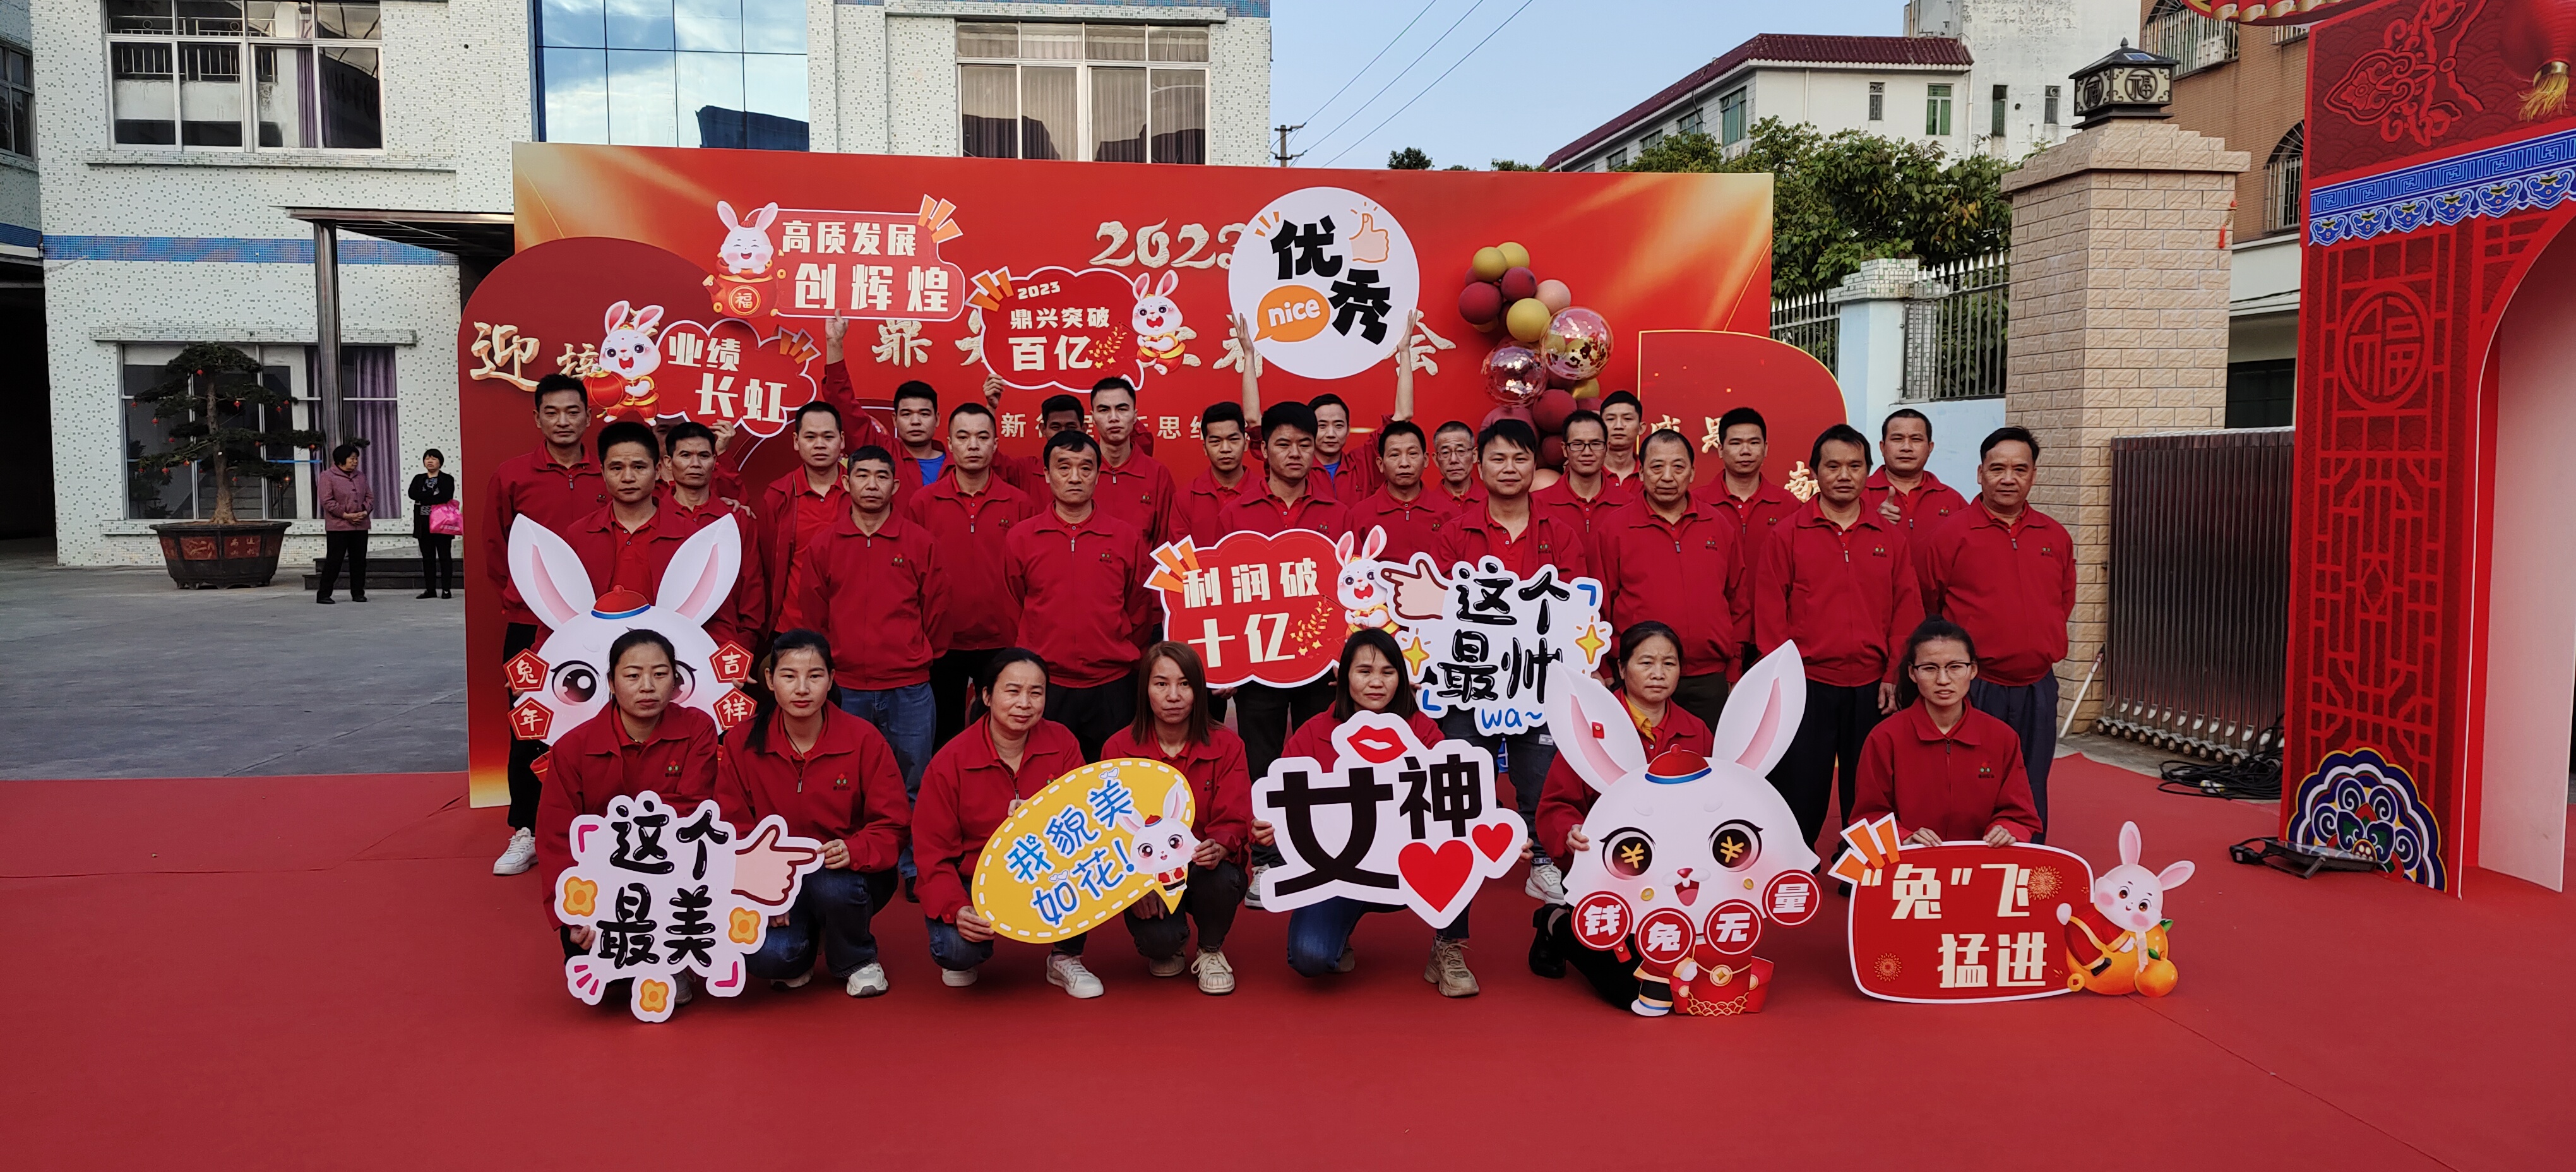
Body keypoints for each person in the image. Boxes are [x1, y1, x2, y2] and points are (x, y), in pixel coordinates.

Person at [1252, 629, 1481, 996]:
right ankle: (1340, 932)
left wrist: (1495, 828)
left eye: (1388, 672)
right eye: (1364, 671)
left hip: (1410, 866)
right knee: (1310, 957)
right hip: (1338, 870)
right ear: (1344, 677)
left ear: (1401, 679)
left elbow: (1461, 799)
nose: (1376, 682)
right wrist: (1268, 827)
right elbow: (1279, 799)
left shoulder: (1422, 731)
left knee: (1465, 843)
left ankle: (1448, 945)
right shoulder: (1314, 733)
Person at [1425, 417, 1591, 905]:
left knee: (1539, 774)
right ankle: (1461, 853)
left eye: (1520, 458)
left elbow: (1577, 610)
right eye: (1498, 458)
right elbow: (1439, 608)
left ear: (1535, 465)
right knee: (1461, 770)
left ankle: (1542, 861)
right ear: (1480, 466)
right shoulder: (1455, 534)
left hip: (1538, 681)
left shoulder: (1561, 534)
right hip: (1470, 680)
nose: (1510, 468)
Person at [1753, 424, 1922, 857]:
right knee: (1800, 783)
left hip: (1873, 687)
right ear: (1815, 472)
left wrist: (1894, 675)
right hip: (1808, 684)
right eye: (1833, 466)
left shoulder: (1889, 539)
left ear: (1868, 471)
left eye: (1854, 466)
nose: (1844, 475)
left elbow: (1906, 612)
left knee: (1869, 786)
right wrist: (1786, 681)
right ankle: (1795, 863)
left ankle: (1862, 867)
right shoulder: (1788, 535)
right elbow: (1770, 616)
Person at [717, 630, 912, 998]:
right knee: (768, 960)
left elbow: (894, 822)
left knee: (832, 886)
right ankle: (808, 941)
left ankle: (857, 958)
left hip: (846, 872)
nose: (802, 688)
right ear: (770, 680)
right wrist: (761, 891)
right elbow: (731, 826)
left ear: (832, 679)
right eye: (789, 676)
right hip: (776, 879)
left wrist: (855, 849)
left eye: (815, 676)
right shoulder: (742, 742)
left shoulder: (863, 739)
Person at [1529, 622, 1715, 993]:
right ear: (1621, 668)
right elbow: (1558, 804)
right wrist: (1570, 833)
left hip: (1676, 876)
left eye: (1669, 663)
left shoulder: (1697, 731)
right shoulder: (1591, 727)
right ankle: (1554, 921)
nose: (1659, 674)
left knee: (1703, 977)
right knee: (1631, 988)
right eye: (1646, 662)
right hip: (1608, 872)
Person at [537, 630, 720, 1005]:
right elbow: (557, 836)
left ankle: (673, 961)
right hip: (603, 879)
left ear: (676, 680)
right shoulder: (573, 748)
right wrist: (573, 911)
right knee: (596, 963)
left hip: (675, 871)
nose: (647, 686)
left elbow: (694, 809)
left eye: (660, 674)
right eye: (633, 675)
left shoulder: (697, 729)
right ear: (610, 682)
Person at [912, 649, 1101, 996]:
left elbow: (1090, 823)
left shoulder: (1062, 743)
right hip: (976, 878)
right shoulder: (951, 761)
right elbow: (932, 853)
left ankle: (1066, 956)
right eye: (1012, 691)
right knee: (957, 951)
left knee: (1091, 862)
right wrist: (956, 907)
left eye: (1036, 693)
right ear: (986, 696)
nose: (1024, 704)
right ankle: (965, 950)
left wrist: (1044, 820)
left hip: (1048, 867)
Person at [1920, 426, 2075, 840]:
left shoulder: (2054, 536)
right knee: (1969, 784)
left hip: (2037, 687)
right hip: (1976, 686)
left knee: (2030, 782)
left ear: (2033, 475)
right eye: (1998, 469)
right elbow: (1931, 605)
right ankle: (1965, 863)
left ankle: (2027, 862)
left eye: (2020, 469)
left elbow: (2062, 601)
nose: (2009, 479)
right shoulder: (1950, 535)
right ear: (1980, 473)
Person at [804, 444, 946, 881]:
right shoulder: (825, 544)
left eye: (881, 477)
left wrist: (913, 655)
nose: (871, 485)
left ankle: (913, 866)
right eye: (862, 476)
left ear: (895, 486)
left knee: (914, 779)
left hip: (909, 686)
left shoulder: (920, 543)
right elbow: (814, 616)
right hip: (847, 687)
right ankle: (853, 858)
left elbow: (937, 614)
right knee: (847, 780)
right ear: (846, 483)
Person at [486, 373, 607, 877]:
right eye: (552, 412)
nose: (563, 421)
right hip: (531, 624)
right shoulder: (513, 476)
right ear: (536, 418)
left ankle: (601, 828)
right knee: (530, 724)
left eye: (573, 411)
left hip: (601, 628)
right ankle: (527, 828)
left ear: (588, 416)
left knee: (605, 722)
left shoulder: (610, 472)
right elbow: (497, 552)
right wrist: (525, 602)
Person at [1096, 642, 1252, 995]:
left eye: (1185, 684)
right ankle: (1172, 940)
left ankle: (1211, 950)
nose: (1173, 696)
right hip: (1149, 874)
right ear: (1145, 690)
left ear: (1199, 690)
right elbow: (1109, 831)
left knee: (1221, 878)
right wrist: (1134, 887)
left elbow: (1237, 815)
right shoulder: (1117, 750)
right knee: (1160, 946)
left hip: (1204, 869)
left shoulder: (1227, 745)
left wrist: (1221, 846)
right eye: (1161, 684)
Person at [1218, 401, 1355, 780]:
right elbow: (1221, 593)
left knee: (1326, 761)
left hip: (1322, 665)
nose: (1295, 454)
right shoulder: (1235, 514)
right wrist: (1227, 663)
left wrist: (1344, 656)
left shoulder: (1338, 514)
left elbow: (1352, 590)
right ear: (1263, 449)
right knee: (1260, 763)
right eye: (1283, 444)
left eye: (1304, 444)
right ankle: (1262, 823)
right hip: (1258, 664)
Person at [1004, 430, 1155, 760]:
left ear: (1098, 475)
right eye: (1064, 468)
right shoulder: (1022, 538)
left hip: (1112, 685)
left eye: (1086, 468)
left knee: (1115, 777)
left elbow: (1139, 609)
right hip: (1047, 684)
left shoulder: (1124, 537)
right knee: (1049, 776)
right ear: (1047, 474)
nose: (1075, 477)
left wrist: (1116, 647)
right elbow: (1013, 606)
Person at [905, 402, 1041, 765]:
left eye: (982, 437)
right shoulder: (923, 502)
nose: (973, 445)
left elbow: (1031, 577)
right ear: (949, 443)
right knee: (943, 738)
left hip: (1002, 642)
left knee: (1004, 736)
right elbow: (911, 577)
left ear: (996, 443)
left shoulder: (1019, 503)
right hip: (941, 643)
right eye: (963, 437)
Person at [1591, 429, 1749, 732]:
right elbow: (1599, 606)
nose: (1667, 477)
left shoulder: (1718, 525)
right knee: (1640, 760)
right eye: (1656, 467)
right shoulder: (1615, 529)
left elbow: (1737, 601)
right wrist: (1606, 665)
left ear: (1692, 472)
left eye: (1678, 467)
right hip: (1640, 676)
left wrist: (1734, 667)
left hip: (1708, 677)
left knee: (1706, 758)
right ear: (1641, 472)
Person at [1854, 618, 2042, 849]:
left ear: (1973, 670)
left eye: (1955, 667)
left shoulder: (2002, 737)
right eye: (1929, 668)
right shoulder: (1885, 738)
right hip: (1910, 863)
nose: (1943, 680)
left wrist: (2006, 829)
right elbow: (1868, 817)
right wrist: (1905, 838)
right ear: (1912, 673)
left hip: (1982, 860)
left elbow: (2020, 814)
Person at [658, 421, 764, 649]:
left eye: (704, 456)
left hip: (725, 643)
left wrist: (745, 642)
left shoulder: (736, 519)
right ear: (668, 462)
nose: (695, 464)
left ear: (715, 461)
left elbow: (752, 588)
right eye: (685, 455)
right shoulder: (653, 516)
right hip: (660, 643)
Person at [756, 401, 849, 639]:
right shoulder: (778, 496)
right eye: (810, 437)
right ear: (796, 441)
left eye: (828, 437)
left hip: (851, 627)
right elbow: (766, 565)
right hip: (791, 627)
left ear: (842, 440)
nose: (820, 444)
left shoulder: (861, 492)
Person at [568, 422, 689, 598]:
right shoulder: (578, 535)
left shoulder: (688, 535)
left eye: (639, 467)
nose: (628, 478)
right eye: (617, 468)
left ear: (657, 471)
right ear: (603, 472)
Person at [1693, 407, 1802, 587]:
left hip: (1773, 604)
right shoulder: (1696, 503)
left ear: (1765, 448)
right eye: (1736, 443)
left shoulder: (1788, 504)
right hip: (1716, 605)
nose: (1745, 451)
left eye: (1754, 443)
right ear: (1720, 449)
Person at [1088, 376, 1186, 549]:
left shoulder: (1157, 474)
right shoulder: (1081, 471)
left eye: (1122, 409)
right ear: (1093, 417)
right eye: (1104, 410)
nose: (1113, 418)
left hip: (1144, 568)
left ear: (1134, 416)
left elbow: (1166, 543)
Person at [1351, 419, 1453, 567]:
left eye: (1412, 454)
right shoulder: (1359, 515)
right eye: (1395, 455)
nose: (1404, 463)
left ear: (1425, 460)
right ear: (1381, 464)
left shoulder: (1449, 513)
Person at [1865, 409, 1968, 556]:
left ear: (1930, 448)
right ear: (1883, 447)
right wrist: (1873, 523)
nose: (1906, 447)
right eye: (1897, 439)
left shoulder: (1952, 500)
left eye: (1916, 440)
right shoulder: (1859, 496)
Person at [1530, 409, 1637, 539]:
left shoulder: (1629, 505)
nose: (1587, 452)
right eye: (1578, 444)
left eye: (1595, 444)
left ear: (1607, 448)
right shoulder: (1537, 504)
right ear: (1565, 449)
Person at [1179, 401, 1254, 544]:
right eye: (1215, 441)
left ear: (1246, 443)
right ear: (1205, 448)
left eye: (1233, 440)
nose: (1225, 449)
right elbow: (1178, 554)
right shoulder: (1185, 499)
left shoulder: (1266, 494)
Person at [316, 441, 373, 604]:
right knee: (334, 561)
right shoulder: (327, 476)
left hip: (360, 525)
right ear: (341, 460)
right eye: (352, 458)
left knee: (359, 561)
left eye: (356, 459)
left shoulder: (360, 476)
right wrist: (346, 515)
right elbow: (327, 501)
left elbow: (370, 497)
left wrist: (364, 511)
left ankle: (358, 593)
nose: (355, 462)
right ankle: (324, 594)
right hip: (338, 527)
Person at [407, 448, 455, 600]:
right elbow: (412, 494)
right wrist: (432, 495)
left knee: (445, 557)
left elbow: (445, 496)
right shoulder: (418, 479)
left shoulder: (447, 479)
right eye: (427, 458)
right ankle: (430, 590)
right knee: (428, 558)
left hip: (442, 523)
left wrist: (424, 498)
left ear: (440, 462)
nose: (430, 461)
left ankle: (446, 589)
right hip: (423, 524)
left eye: (434, 459)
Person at [1429, 421, 1484, 510]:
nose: (1453, 460)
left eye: (1461, 451)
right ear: (1436, 460)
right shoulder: (1427, 506)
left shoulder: (1491, 502)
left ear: (1474, 455)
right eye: (1445, 453)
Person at [1597, 391, 1645, 490]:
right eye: (1611, 419)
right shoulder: (1587, 472)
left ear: (1641, 428)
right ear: (1599, 427)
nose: (1618, 426)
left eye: (1627, 419)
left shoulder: (1650, 473)